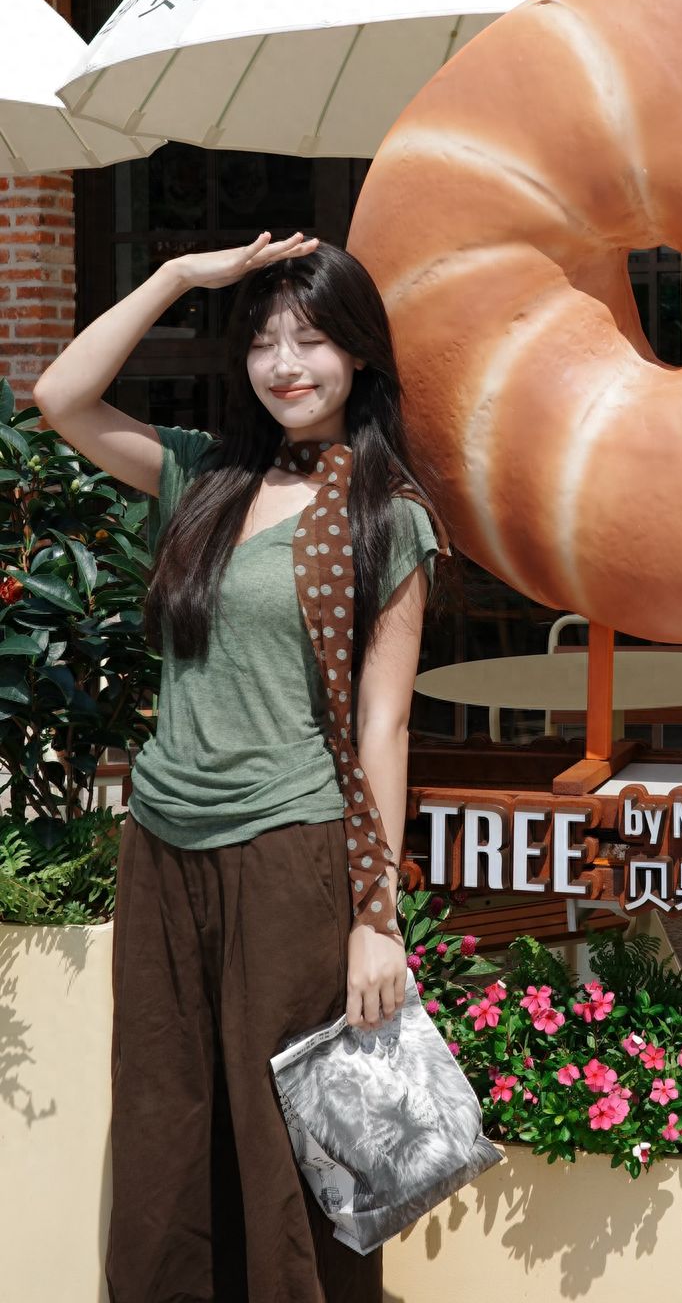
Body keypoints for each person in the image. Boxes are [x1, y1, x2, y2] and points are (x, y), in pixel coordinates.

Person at [32, 229, 448, 1303]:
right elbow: (62, 396)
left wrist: (374, 915)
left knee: (288, 1146)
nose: (286, 365)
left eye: (312, 340)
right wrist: (177, 278)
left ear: (359, 356)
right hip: (163, 842)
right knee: (165, 1124)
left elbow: (382, 728)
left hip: (290, 852)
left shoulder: (386, 518)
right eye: (264, 342)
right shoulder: (200, 477)